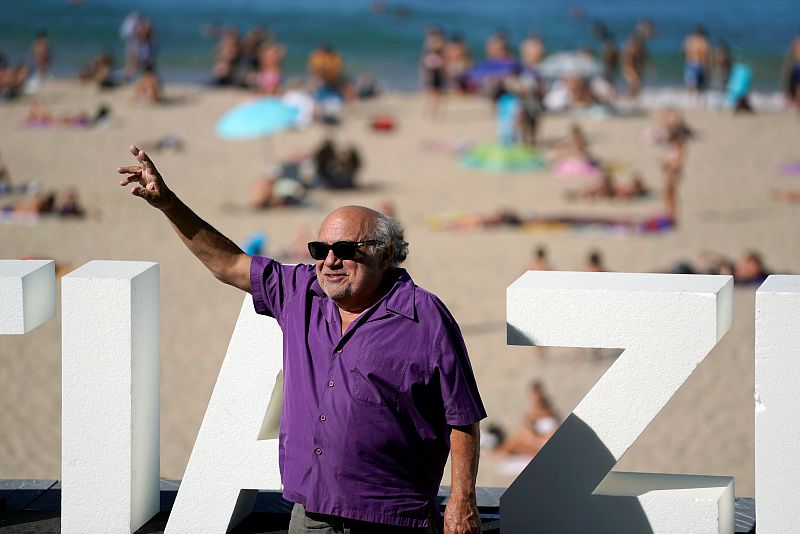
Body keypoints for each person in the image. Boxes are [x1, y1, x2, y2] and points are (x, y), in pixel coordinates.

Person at [117, 146, 486, 533]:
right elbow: (228, 263)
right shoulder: (299, 292)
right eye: (320, 250)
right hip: (310, 516)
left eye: (345, 250)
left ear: (385, 254)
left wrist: (462, 501)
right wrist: (168, 203)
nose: (330, 261)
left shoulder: (425, 316)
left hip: (392, 519)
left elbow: (462, 417)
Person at [495, 381, 559, 456]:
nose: (535, 397)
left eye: (536, 394)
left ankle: (499, 449)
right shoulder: (537, 411)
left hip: (544, 440)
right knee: (519, 438)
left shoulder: (543, 411)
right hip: (541, 439)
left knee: (518, 440)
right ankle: (500, 449)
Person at [683, 26, 711, 94]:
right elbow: (707, 55)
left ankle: (694, 98)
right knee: (694, 86)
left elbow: (684, 52)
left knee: (696, 86)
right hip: (695, 65)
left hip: (694, 64)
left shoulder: (689, 40)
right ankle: (695, 98)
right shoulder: (703, 41)